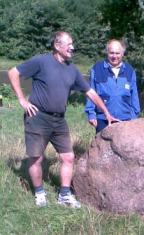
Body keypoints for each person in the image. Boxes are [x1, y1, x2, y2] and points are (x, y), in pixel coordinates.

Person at [8, 31, 118, 208]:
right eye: (69, 44)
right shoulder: (41, 62)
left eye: (72, 44)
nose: (72, 48)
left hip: (59, 120)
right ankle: (39, 193)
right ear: (57, 46)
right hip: (37, 117)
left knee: (68, 157)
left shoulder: (72, 70)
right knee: (35, 158)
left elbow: (90, 92)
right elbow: (13, 72)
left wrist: (105, 112)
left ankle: (64, 195)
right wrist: (21, 99)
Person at [85, 39, 140, 133]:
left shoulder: (130, 70)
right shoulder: (97, 69)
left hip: (125, 119)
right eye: (111, 53)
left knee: (124, 147)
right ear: (107, 53)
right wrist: (91, 114)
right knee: (102, 147)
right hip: (103, 119)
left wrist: (134, 117)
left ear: (122, 54)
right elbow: (91, 93)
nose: (114, 56)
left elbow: (134, 96)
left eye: (117, 53)